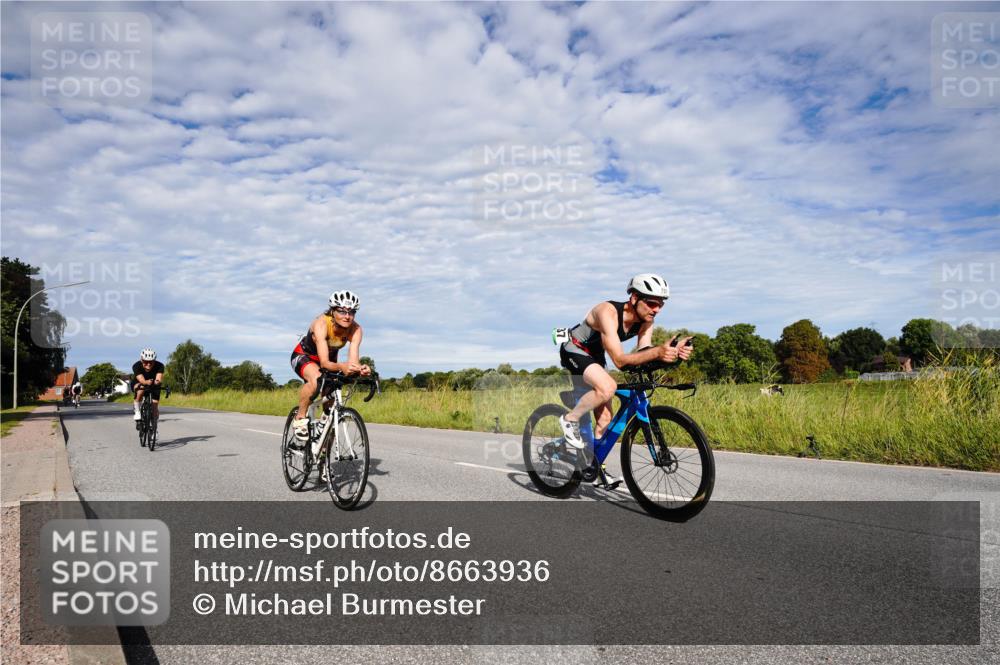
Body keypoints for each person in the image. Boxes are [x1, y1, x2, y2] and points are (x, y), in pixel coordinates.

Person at [557, 274, 693, 451]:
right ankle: (570, 419)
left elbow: (644, 351)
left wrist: (671, 353)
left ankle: (594, 464)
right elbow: (620, 361)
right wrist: (658, 352)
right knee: (607, 388)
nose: (657, 309)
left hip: (596, 355)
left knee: (605, 418)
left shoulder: (646, 321)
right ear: (635, 298)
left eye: (661, 305)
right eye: (652, 303)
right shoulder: (607, 312)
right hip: (575, 348)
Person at [289, 291, 371, 442]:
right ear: (332, 311)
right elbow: (325, 363)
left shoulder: (356, 330)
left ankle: (323, 438)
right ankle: (300, 418)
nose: (347, 316)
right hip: (305, 356)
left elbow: (353, 362)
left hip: (330, 361)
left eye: (352, 312)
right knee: (317, 379)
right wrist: (342, 367)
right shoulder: (321, 324)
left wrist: (360, 369)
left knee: (332, 401)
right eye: (342, 311)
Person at [132, 348, 165, 423]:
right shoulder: (136, 365)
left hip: (153, 384)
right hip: (139, 382)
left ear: (154, 360)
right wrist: (146, 382)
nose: (148, 364)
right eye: (146, 362)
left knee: (155, 407)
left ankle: (153, 426)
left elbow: (159, 378)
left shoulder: (160, 365)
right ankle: (137, 411)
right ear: (141, 360)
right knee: (141, 388)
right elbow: (142, 380)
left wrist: (157, 382)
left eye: (151, 362)